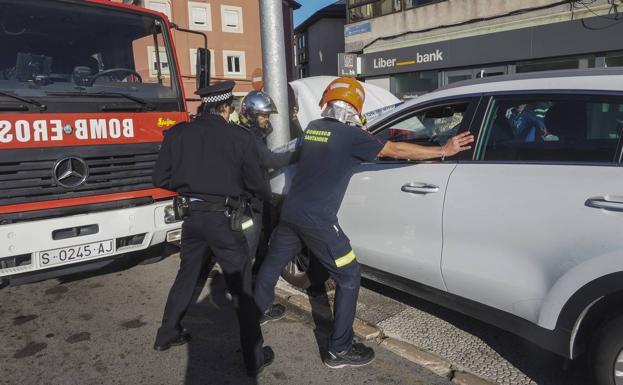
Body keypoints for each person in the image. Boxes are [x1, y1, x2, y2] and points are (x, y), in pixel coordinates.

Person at [254, 77, 474, 369]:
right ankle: (339, 349)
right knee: (348, 275)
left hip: (293, 212)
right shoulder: (352, 137)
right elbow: (394, 149)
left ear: (326, 102)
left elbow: (293, 156)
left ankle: (258, 309)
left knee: (274, 260)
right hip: (318, 221)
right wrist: (442, 151)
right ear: (355, 108)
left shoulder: (314, 128)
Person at [152, 80, 274, 377]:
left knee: (187, 276)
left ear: (203, 106)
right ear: (225, 107)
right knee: (241, 290)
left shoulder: (178, 133)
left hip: (193, 218)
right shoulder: (240, 138)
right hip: (224, 220)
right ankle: (253, 358)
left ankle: (166, 334)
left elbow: (160, 177)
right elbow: (258, 184)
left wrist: (189, 186)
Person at [236, 90, 299, 323]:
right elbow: (270, 160)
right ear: (251, 115)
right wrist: (298, 153)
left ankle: (258, 303)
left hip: (255, 202)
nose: (267, 121)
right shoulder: (248, 137)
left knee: (260, 252)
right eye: (264, 116)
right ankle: (249, 309)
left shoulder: (249, 134)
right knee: (250, 255)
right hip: (249, 205)